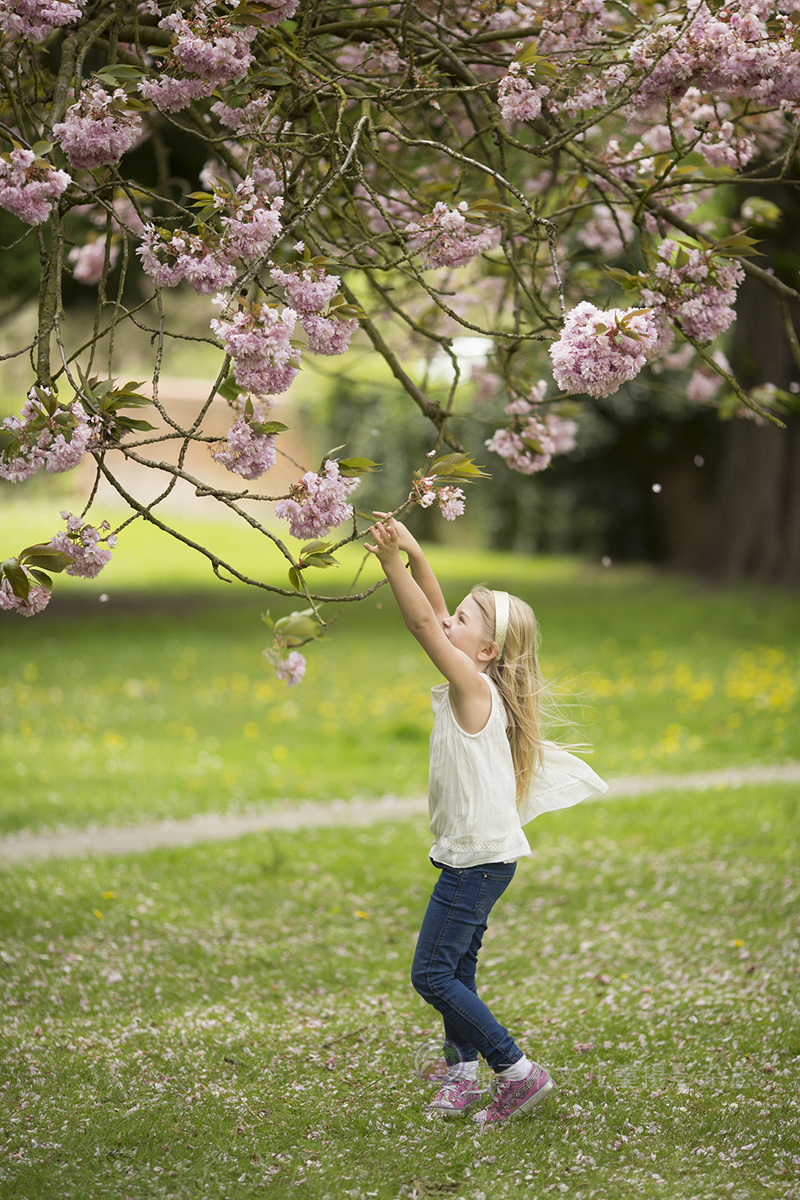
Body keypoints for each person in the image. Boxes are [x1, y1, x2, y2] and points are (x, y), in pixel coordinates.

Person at [365, 514, 607, 1126]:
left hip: (475, 862)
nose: (449, 624)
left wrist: (390, 562)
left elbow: (423, 622)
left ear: (486, 651)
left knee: (432, 974)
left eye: (463, 624)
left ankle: (516, 1071)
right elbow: (439, 610)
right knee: (459, 969)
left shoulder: (472, 686)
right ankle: (460, 1075)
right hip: (476, 857)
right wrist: (417, 552)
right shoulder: (473, 678)